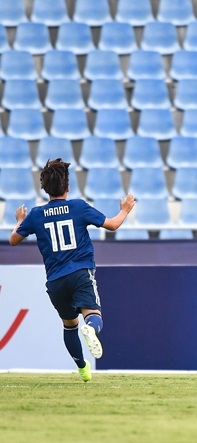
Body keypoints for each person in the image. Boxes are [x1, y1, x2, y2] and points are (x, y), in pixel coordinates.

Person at [9, 158, 135, 382]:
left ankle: (83, 369)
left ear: (45, 189)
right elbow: (113, 224)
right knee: (93, 316)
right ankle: (91, 329)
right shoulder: (78, 207)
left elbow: (13, 240)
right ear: (67, 187)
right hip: (80, 272)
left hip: (56, 281)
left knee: (69, 326)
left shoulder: (36, 215)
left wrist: (20, 221)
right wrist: (125, 210)